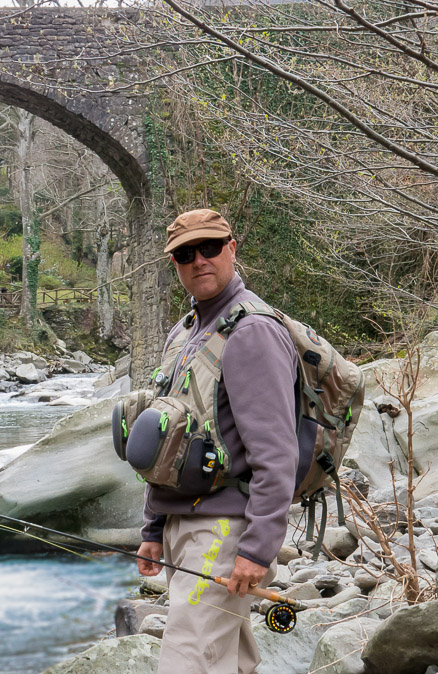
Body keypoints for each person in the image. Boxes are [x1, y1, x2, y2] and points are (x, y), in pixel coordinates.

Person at [136, 208, 299, 674]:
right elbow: (168, 441)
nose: (199, 260)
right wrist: (153, 529)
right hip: (183, 523)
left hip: (224, 530)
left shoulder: (253, 332)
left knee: (188, 662)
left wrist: (257, 548)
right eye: (185, 254)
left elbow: (276, 454)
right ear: (175, 264)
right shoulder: (184, 331)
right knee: (228, 659)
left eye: (209, 247)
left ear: (231, 248)